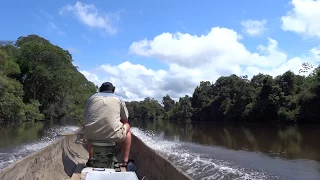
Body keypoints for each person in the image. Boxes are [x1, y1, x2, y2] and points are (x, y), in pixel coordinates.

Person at [83, 82, 132, 167]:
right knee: (127, 126)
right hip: (114, 135)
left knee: (90, 126)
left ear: (100, 90)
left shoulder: (91, 98)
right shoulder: (119, 99)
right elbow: (125, 120)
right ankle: (125, 161)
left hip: (90, 136)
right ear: (113, 90)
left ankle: (90, 159)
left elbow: (86, 117)